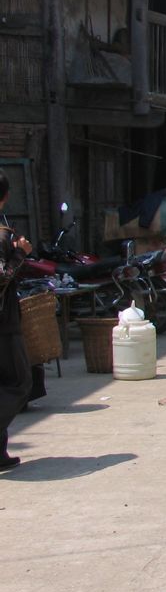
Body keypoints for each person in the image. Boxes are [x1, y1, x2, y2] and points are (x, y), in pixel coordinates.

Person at [0, 170, 34, 470]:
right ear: (6, 196)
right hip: (3, 325)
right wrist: (19, 254)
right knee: (21, 383)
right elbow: (2, 277)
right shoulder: (2, 236)